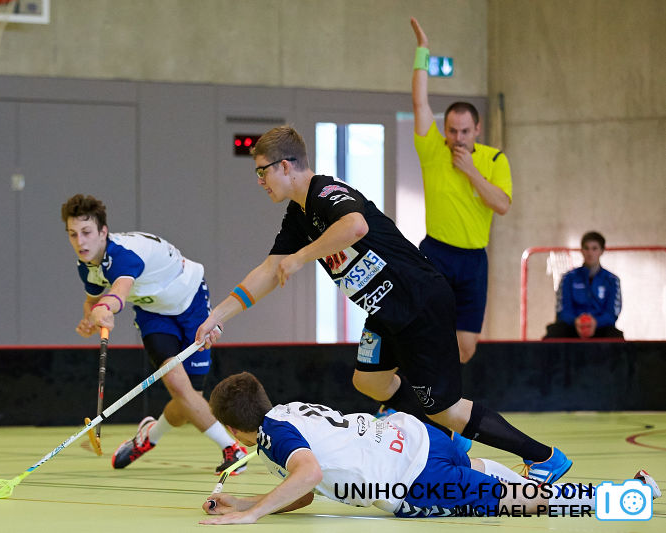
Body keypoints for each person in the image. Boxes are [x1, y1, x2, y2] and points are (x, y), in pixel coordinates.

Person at [194, 125, 571, 484]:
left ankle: (543, 458)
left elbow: (355, 226)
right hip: (386, 312)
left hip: (418, 301)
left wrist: (302, 257)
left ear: (286, 166)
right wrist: (217, 317)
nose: (260, 181)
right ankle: (446, 433)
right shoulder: (298, 215)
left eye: (262, 171)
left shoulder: (326, 193)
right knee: (370, 380)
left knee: (449, 408)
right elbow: (268, 270)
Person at [199, 372, 660, 524]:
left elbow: (309, 475)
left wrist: (250, 517)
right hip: (419, 436)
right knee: (483, 476)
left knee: (526, 503)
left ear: (234, 430)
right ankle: (532, 480)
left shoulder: (272, 437)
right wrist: (245, 502)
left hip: (415, 480)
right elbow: (303, 492)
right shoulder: (287, 412)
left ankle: (628, 498)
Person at [60, 194, 246, 474]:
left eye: (86, 232)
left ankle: (150, 435)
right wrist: (91, 317)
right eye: (73, 234)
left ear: (103, 232)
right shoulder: (85, 267)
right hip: (153, 314)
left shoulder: (123, 255)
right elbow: (93, 299)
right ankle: (232, 449)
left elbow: (118, 294)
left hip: (191, 301)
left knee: (186, 406)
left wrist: (104, 308)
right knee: (179, 388)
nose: (80, 242)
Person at [410, 18, 512, 364]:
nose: (458, 138)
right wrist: (423, 50)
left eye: (465, 132)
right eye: (452, 131)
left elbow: (502, 205)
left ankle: (439, 391)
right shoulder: (433, 150)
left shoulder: (494, 159)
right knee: (427, 332)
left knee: (465, 348)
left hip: (474, 261)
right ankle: (413, 390)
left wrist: (471, 173)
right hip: (436, 252)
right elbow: (420, 103)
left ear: (477, 130)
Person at [544, 231, 623, 339]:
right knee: (554, 334)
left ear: (602, 251)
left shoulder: (612, 280)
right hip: (572, 326)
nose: (590, 253)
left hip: (600, 327)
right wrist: (577, 321)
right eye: (586, 248)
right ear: (581, 251)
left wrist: (595, 322)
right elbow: (562, 310)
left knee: (616, 337)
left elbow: (612, 313)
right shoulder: (568, 278)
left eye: (594, 248)